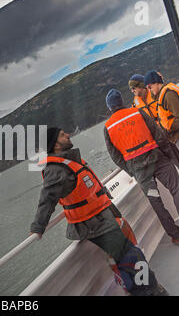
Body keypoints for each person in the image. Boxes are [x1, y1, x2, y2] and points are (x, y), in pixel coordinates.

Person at [30, 127, 167, 296]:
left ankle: (143, 290)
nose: (68, 134)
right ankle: (152, 291)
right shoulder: (55, 170)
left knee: (128, 255)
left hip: (103, 214)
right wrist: (38, 226)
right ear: (55, 144)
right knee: (131, 256)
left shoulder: (70, 160)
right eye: (62, 134)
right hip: (93, 223)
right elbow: (47, 199)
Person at [104, 89, 179, 246]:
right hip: (158, 160)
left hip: (140, 171)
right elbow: (158, 134)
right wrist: (168, 155)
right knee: (176, 189)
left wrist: (131, 170)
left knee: (156, 202)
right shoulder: (137, 113)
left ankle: (176, 236)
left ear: (109, 108)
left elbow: (115, 156)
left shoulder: (108, 127)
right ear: (122, 101)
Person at [129, 74, 179, 192]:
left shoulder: (157, 95)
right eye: (131, 89)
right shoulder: (135, 106)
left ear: (142, 86)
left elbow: (177, 116)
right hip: (164, 142)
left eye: (134, 87)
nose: (132, 90)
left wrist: (166, 130)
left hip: (175, 135)